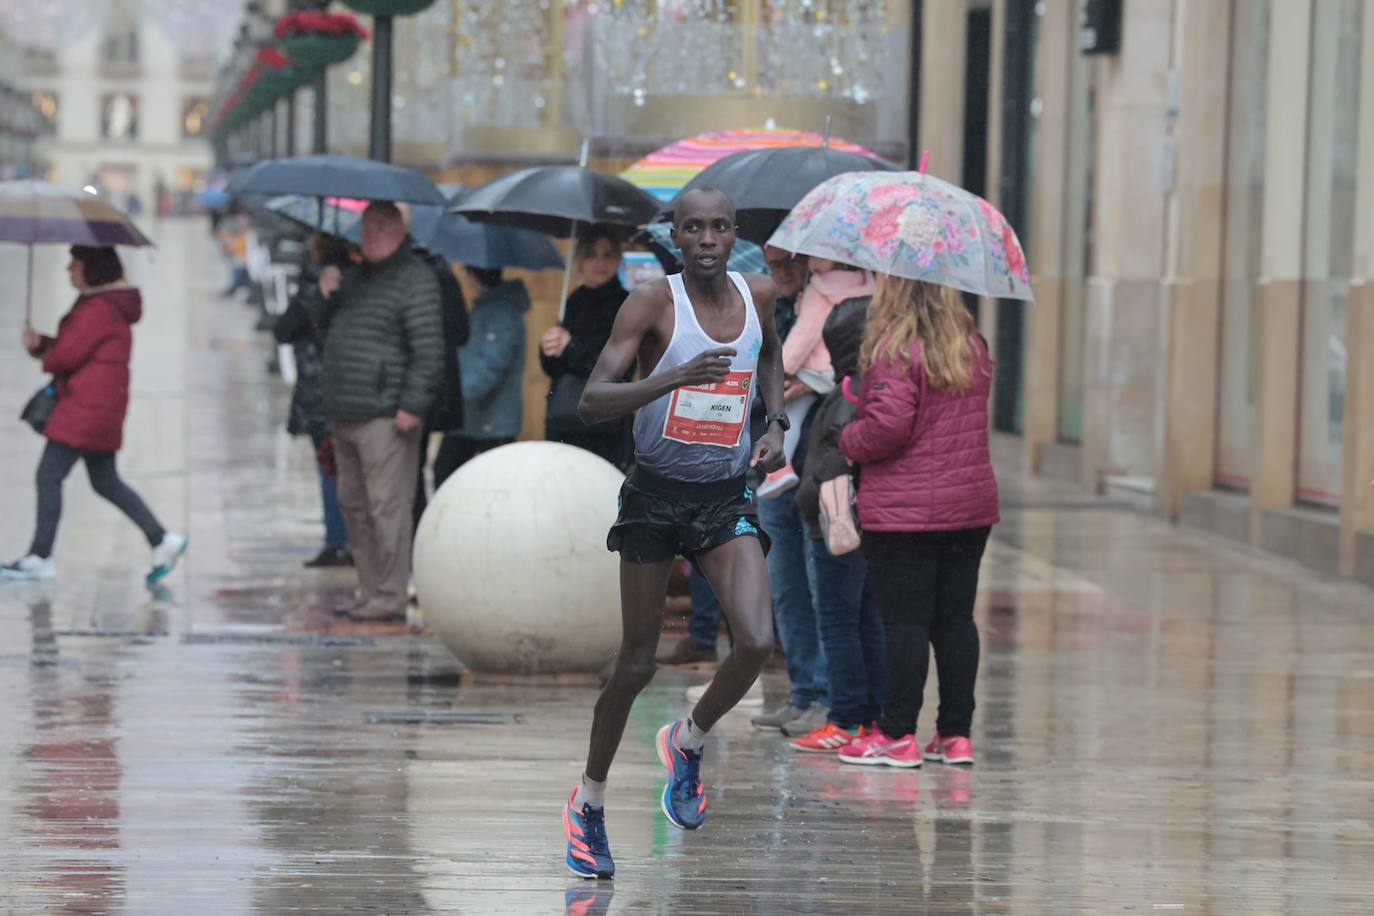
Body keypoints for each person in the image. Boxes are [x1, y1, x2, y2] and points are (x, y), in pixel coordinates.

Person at [561, 188, 785, 880]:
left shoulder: (761, 296)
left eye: (720, 226)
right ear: (677, 237)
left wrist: (773, 422)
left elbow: (770, 356)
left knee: (755, 640)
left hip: (722, 496)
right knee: (635, 663)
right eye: (695, 229)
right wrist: (673, 377)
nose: (709, 239)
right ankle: (589, 801)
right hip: (656, 496)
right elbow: (591, 401)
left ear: (735, 233)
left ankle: (687, 742)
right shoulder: (653, 302)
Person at [837, 277, 998, 769]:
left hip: (905, 511)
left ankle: (897, 734)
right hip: (969, 506)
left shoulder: (895, 349)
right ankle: (955, 736)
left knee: (904, 623)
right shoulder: (971, 345)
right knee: (955, 621)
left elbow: (888, 427)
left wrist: (848, 437)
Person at [658, 243, 805, 672]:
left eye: (789, 264)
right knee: (708, 539)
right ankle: (705, 633)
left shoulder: (800, 311)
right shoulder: (743, 302)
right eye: (774, 266)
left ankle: (762, 636)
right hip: (719, 436)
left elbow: (776, 360)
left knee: (756, 541)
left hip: (766, 440)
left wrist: (775, 420)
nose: (782, 273)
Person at [2, 246, 187, 583]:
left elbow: (63, 357)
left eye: (75, 263)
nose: (68, 269)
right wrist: (43, 343)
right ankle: (162, 539)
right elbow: (75, 349)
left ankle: (40, 557)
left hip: (85, 408)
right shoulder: (105, 306)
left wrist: (42, 348)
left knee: (49, 475)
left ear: (93, 269)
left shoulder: (97, 309)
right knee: (105, 481)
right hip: (101, 406)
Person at [318, 202, 443, 622]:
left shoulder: (415, 278)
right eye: (363, 228)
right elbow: (321, 330)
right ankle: (369, 589)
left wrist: (412, 403)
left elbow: (429, 348)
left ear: (395, 230)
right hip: (345, 408)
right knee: (353, 504)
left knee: (386, 507)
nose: (364, 236)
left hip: (386, 413)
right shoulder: (355, 278)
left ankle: (389, 594)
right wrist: (326, 294)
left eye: (374, 228)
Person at [789, 296, 885, 752]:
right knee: (866, 620)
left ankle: (846, 718)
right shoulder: (871, 391)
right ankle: (868, 716)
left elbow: (828, 466)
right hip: (867, 527)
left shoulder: (844, 396)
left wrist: (804, 502)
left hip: (835, 530)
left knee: (838, 622)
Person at [759, 257, 874, 498]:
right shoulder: (867, 283)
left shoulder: (819, 287)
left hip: (816, 370)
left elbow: (805, 334)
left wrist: (783, 368)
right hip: (844, 370)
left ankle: (779, 469)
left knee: (787, 412)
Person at [273, 232, 355, 568]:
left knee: (329, 468)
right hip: (348, 386)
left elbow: (283, 330)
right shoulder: (358, 279)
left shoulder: (316, 282)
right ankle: (346, 539)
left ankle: (337, 540)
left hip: (320, 389)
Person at [540, 227, 631, 468]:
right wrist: (548, 348)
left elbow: (615, 366)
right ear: (580, 260)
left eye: (608, 254)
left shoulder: (625, 303)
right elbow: (556, 369)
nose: (600, 262)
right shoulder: (574, 300)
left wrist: (570, 347)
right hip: (566, 417)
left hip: (602, 423)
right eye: (592, 254)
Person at [433, 267, 529, 487]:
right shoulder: (482, 309)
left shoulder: (502, 313)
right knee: (446, 479)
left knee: (489, 489)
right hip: (469, 417)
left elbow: (491, 367)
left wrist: (455, 396)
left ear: (473, 276)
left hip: (493, 422)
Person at [409, 231, 469, 532]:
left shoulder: (414, 272)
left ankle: (418, 537)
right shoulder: (442, 270)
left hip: (410, 389)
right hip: (436, 387)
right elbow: (461, 331)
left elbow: (458, 331)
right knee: (417, 468)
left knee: (410, 472)